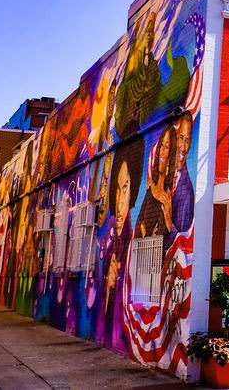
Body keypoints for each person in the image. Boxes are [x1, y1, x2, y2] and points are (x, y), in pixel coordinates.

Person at [95, 140, 143, 351]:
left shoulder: (134, 238)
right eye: (117, 189)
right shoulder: (111, 234)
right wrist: (108, 286)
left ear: (133, 191)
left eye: (126, 188)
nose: (120, 201)